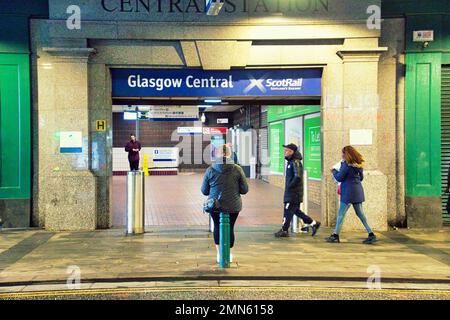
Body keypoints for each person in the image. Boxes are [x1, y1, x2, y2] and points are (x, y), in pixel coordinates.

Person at [201, 144, 249, 264]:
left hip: (215, 206)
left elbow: (204, 191)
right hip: (233, 205)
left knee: (217, 226)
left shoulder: (210, 170)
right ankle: (229, 254)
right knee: (230, 228)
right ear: (229, 154)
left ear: (217, 154)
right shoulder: (237, 169)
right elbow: (244, 190)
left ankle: (219, 254)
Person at [325, 146, 377, 244]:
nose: (342, 155)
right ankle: (371, 234)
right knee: (360, 214)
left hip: (348, 192)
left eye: (343, 153)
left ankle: (335, 235)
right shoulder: (359, 165)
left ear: (346, 154)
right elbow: (361, 178)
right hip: (357, 191)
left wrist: (334, 171)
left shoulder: (346, 165)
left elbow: (339, 177)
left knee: (341, 214)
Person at [274, 143, 321, 238]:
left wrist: (290, 186)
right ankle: (313, 223)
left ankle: (284, 230)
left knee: (288, 210)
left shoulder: (295, 162)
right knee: (294, 210)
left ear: (291, 152)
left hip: (293, 193)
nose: (284, 152)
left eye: (286, 150)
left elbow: (298, 177)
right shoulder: (291, 162)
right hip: (292, 192)